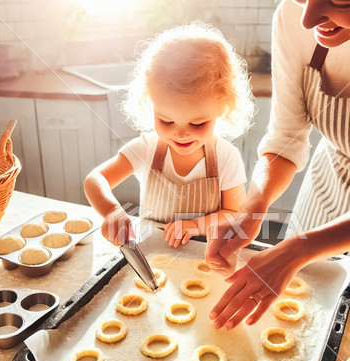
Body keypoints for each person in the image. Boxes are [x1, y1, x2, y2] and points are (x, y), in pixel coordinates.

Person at [206, 0, 350, 330]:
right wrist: (252, 208)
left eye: (339, 1)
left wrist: (294, 251)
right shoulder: (293, 17)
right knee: (301, 322)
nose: (308, 16)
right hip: (324, 192)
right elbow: (285, 139)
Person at [84, 22, 255, 247]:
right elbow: (95, 180)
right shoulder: (147, 149)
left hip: (204, 258)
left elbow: (234, 213)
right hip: (151, 254)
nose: (181, 134)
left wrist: (195, 226)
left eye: (197, 124)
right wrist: (112, 211)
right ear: (150, 104)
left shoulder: (226, 157)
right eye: (166, 121)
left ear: (221, 109)